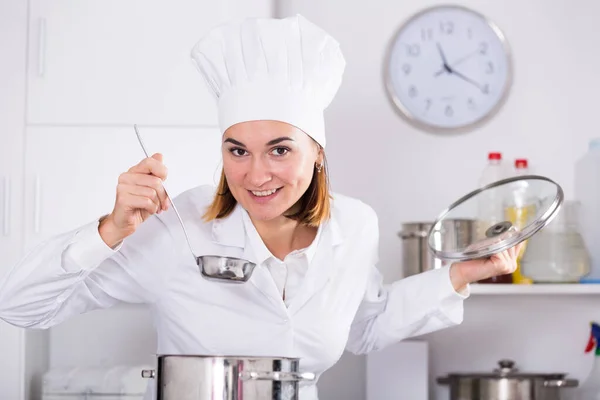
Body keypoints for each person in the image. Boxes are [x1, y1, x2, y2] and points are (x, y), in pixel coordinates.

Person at [0, 14, 521, 400]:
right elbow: (19, 306)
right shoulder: (177, 225)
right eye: (237, 151)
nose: (256, 175)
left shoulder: (355, 225)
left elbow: (363, 325)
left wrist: (463, 274)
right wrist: (109, 229)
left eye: (280, 149)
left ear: (317, 152)